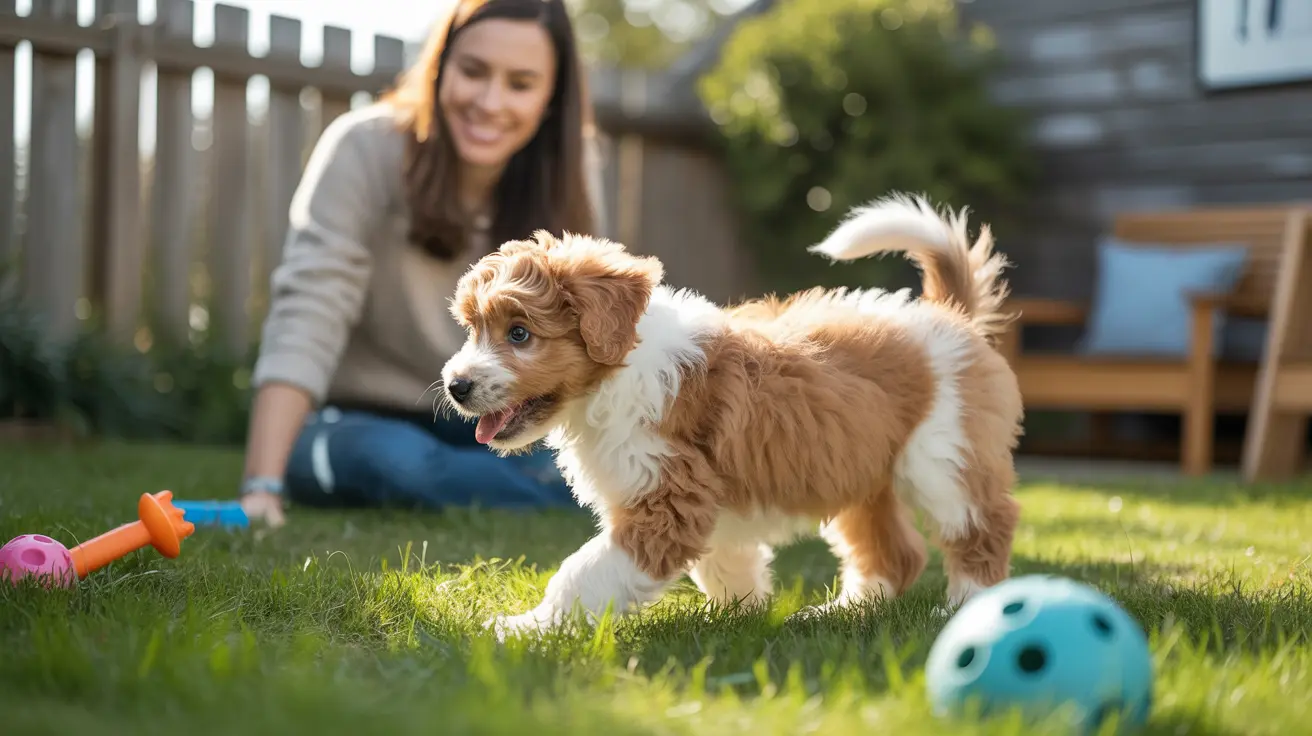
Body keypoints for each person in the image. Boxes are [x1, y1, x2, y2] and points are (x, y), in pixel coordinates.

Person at [237, 0, 603, 527]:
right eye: (472, 72)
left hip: (509, 416)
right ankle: (537, 490)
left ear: (551, 99)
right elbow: (309, 308)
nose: (490, 101)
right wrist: (262, 485)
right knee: (394, 462)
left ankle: (520, 482)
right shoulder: (363, 147)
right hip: (364, 420)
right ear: (440, 67)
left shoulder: (573, 171)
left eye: (521, 84)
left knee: (586, 459)